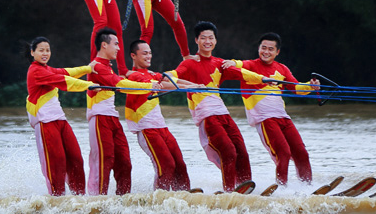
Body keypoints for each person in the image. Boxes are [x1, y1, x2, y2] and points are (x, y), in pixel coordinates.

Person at [165, 21, 267, 192]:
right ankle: (229, 192)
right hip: (207, 116)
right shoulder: (189, 64)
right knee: (228, 152)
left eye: (211, 38)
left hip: (223, 114)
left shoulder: (220, 63)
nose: (207, 41)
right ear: (196, 40)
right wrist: (190, 85)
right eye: (203, 38)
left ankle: (246, 190)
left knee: (242, 151)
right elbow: (168, 78)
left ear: (215, 41)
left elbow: (244, 75)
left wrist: (264, 79)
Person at [223, 33, 319, 185]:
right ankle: (282, 188)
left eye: (270, 49)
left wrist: (310, 86)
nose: (266, 52)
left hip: (283, 117)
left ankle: (307, 188)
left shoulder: (282, 68)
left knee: (302, 153)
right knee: (284, 153)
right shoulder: (251, 65)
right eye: (263, 48)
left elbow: (296, 88)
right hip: (265, 119)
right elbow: (239, 64)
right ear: (259, 48)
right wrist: (231, 62)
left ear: (277, 52)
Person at [86, 27, 158, 195]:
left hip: (112, 118)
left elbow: (121, 81)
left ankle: (123, 202)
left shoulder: (108, 67)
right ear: (104, 45)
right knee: (105, 161)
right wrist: (148, 86)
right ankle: (98, 203)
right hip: (99, 119)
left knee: (124, 163)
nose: (119, 48)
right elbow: (121, 85)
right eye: (116, 44)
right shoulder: (97, 66)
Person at [124, 40, 201, 191]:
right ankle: (160, 200)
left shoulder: (152, 74)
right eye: (144, 53)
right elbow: (165, 85)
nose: (149, 56)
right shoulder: (134, 77)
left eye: (150, 53)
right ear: (134, 56)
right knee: (166, 165)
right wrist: (189, 87)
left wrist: (194, 85)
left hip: (161, 128)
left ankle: (185, 195)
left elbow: (170, 80)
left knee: (179, 163)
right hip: (147, 130)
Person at [25, 36, 93, 196]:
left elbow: (66, 72)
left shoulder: (47, 69)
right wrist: (90, 85)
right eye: (41, 50)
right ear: (32, 53)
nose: (45, 53)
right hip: (45, 123)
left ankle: (79, 197)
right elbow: (63, 81)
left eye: (47, 50)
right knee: (57, 163)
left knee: (76, 159)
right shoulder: (35, 71)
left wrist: (88, 69)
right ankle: (57, 200)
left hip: (60, 120)